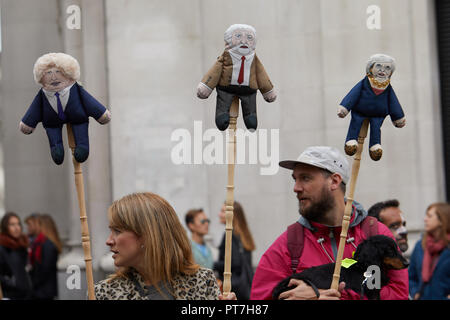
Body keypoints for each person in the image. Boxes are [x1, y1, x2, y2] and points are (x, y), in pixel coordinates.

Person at [250, 146, 409, 300]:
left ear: (334, 181)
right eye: (295, 179)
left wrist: (326, 294)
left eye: (305, 178)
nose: (296, 188)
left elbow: (398, 294)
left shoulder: (375, 233)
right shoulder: (288, 245)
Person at [94, 192, 236, 300]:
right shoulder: (103, 293)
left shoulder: (202, 282)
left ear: (147, 234)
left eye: (117, 231)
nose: (109, 240)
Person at [214, 201, 255, 299]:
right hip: (245, 285)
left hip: (234, 288)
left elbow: (233, 262)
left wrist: (213, 264)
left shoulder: (230, 235)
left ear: (233, 215)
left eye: (223, 211)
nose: (219, 214)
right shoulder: (243, 234)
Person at [409, 202, 450, 299]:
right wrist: (415, 293)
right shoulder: (420, 246)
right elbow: (411, 276)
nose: (425, 219)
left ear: (441, 220)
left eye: (429, 216)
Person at [0, 212, 32, 299]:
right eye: (12, 225)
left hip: (26, 294)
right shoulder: (2, 247)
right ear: (5, 227)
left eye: (18, 224)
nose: (16, 228)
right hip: (10, 294)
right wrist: (12, 283)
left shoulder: (22, 245)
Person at [27, 213, 59, 299]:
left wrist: (33, 282)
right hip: (42, 290)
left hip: (44, 291)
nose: (36, 227)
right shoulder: (41, 243)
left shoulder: (47, 244)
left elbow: (45, 268)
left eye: (38, 224)